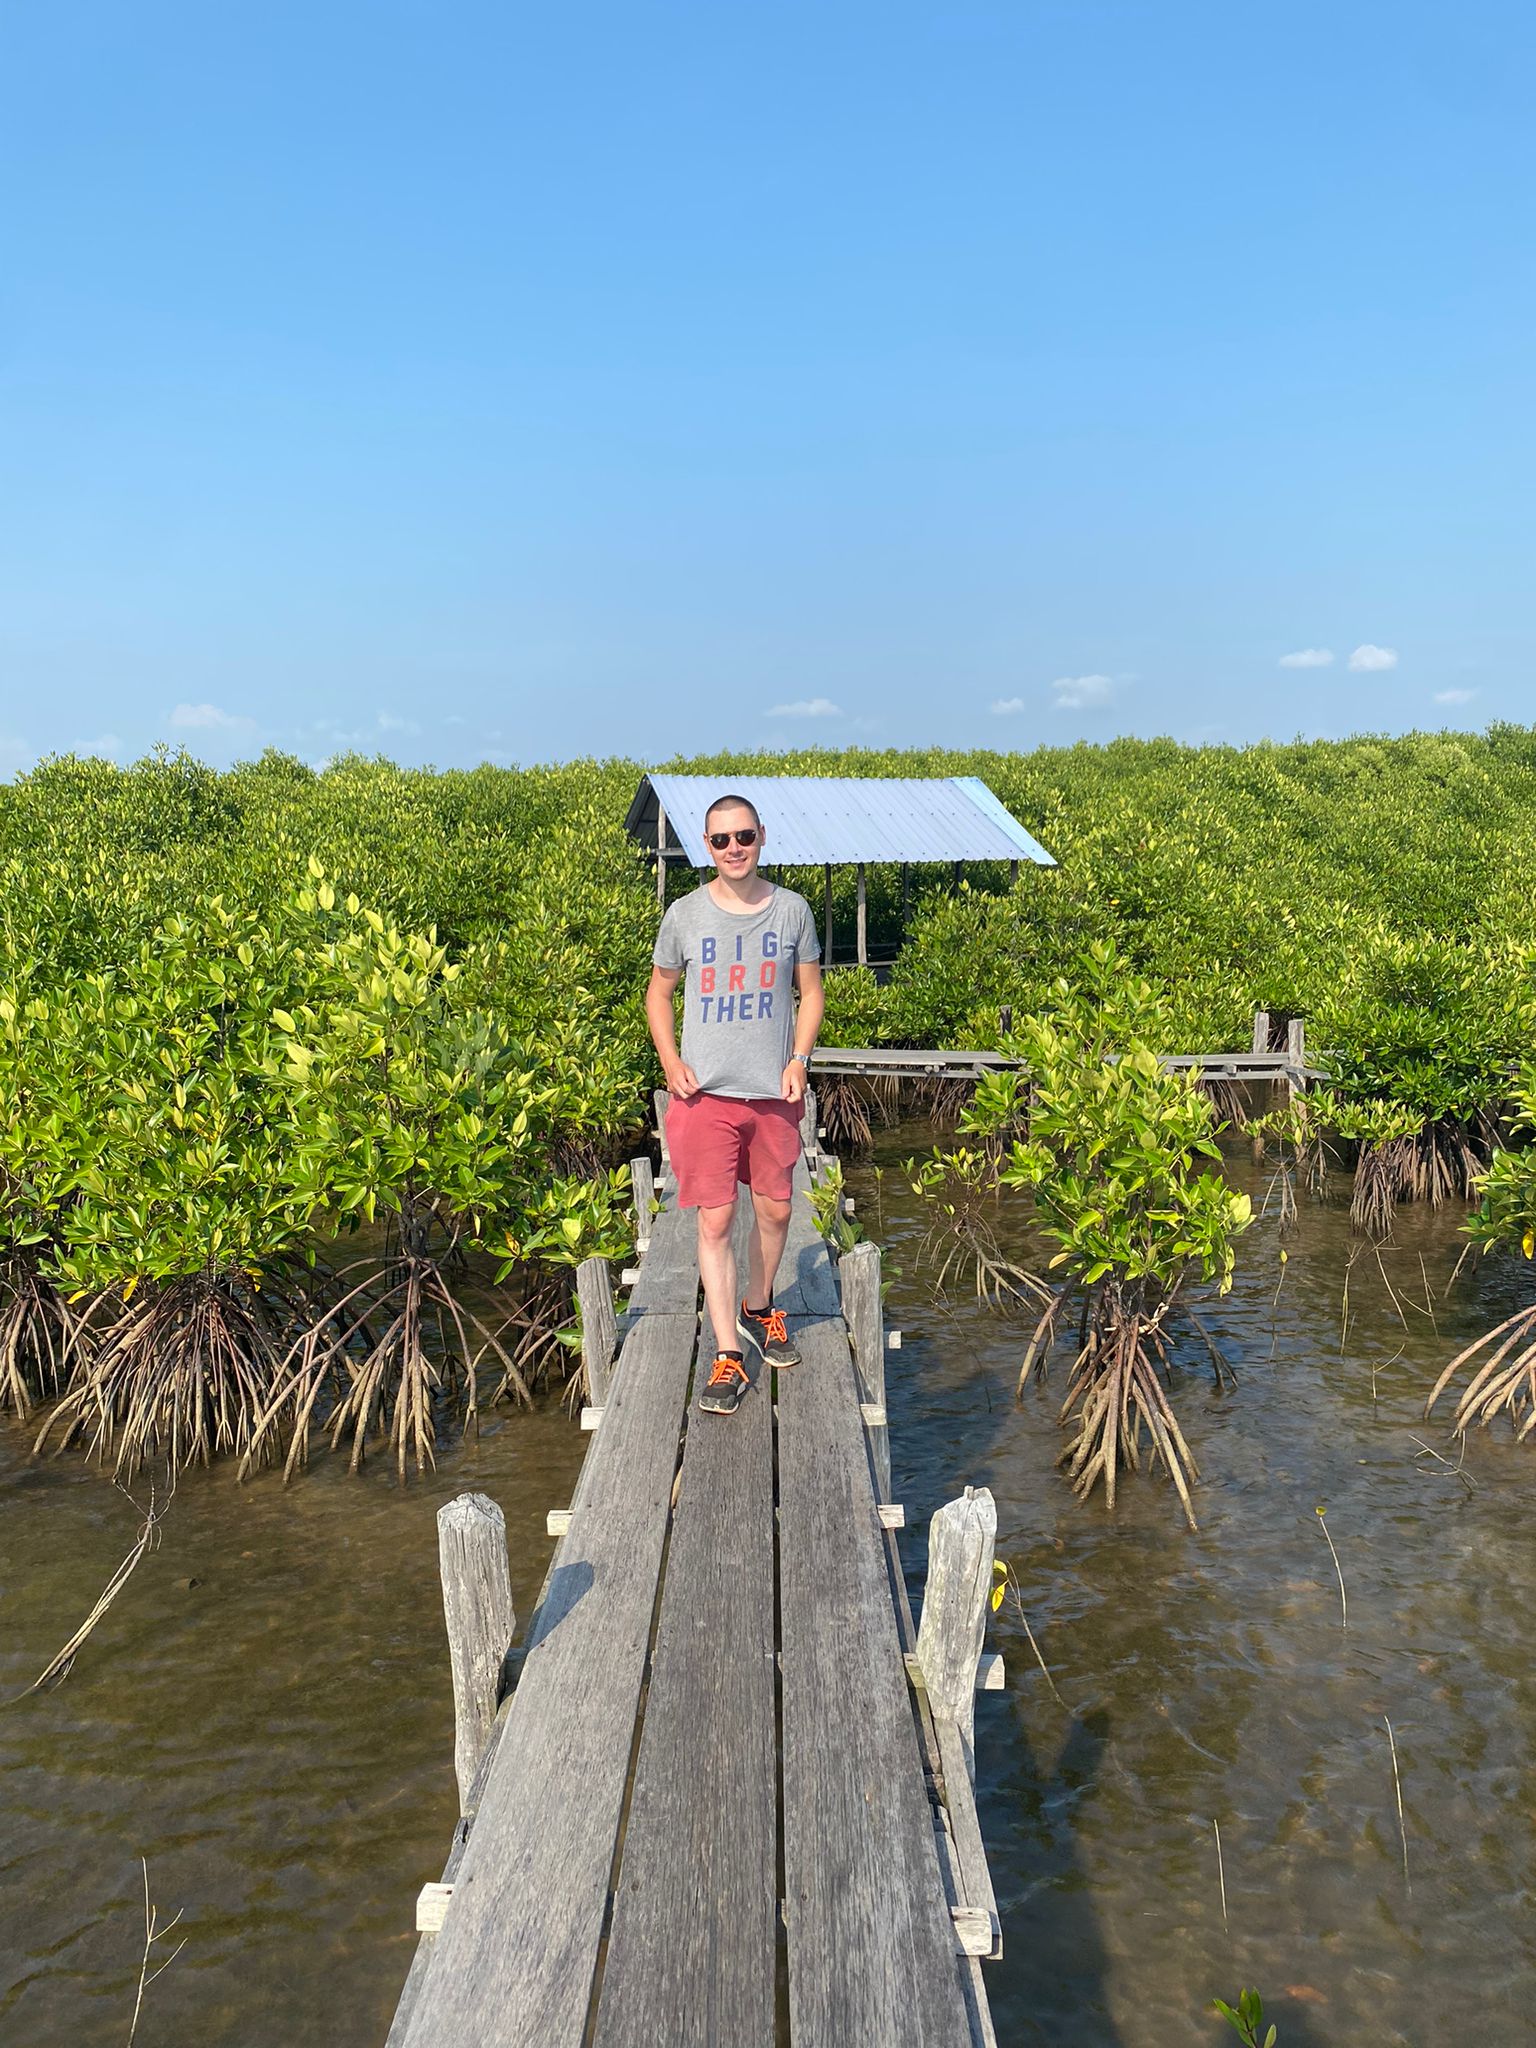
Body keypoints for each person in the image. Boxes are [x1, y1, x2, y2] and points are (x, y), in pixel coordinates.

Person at [646, 792, 824, 1414]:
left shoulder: (793, 912)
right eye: (720, 841)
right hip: (704, 1099)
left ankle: (759, 1303)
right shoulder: (685, 916)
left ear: (762, 836)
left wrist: (799, 1060)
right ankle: (728, 1351)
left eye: (743, 836)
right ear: (707, 846)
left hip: (773, 1094)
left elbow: (812, 994)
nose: (733, 849)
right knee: (715, 1221)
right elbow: (658, 996)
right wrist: (671, 1062)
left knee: (776, 1213)